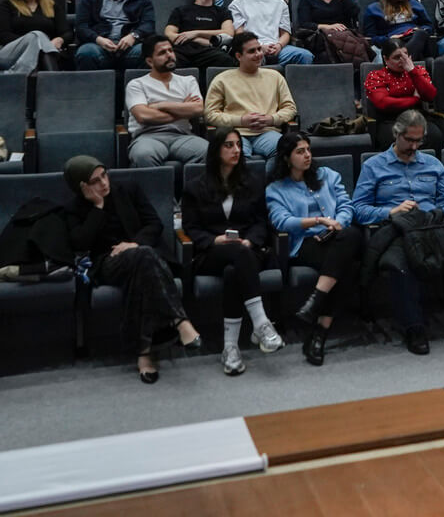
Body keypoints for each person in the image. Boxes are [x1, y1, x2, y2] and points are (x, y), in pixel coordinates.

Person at [352, 111, 444, 356]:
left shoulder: (433, 164)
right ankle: (413, 327)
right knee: (400, 263)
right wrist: (390, 211)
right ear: (396, 134)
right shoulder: (373, 166)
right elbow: (358, 210)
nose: (414, 146)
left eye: (419, 141)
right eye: (409, 140)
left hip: (435, 226)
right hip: (399, 229)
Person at [62, 156, 200, 384]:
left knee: (142, 264)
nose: (103, 183)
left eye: (104, 175)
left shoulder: (128, 189)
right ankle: (179, 320)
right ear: (82, 186)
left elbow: (154, 224)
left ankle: (144, 352)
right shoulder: (73, 208)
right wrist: (98, 207)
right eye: (95, 181)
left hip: (142, 254)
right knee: (145, 256)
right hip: (107, 263)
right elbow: (80, 243)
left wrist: (134, 243)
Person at [181, 128, 283, 374]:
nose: (236, 150)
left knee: (233, 271)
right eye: (229, 145)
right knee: (234, 257)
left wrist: (250, 242)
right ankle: (261, 323)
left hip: (248, 250)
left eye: (238, 145)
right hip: (211, 253)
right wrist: (213, 240)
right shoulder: (195, 187)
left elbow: (261, 222)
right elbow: (190, 227)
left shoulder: (252, 182)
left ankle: (230, 348)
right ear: (216, 150)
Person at [266, 132, 365, 366]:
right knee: (347, 264)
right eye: (300, 152)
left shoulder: (328, 175)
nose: (307, 155)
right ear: (287, 158)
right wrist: (318, 221)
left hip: (337, 236)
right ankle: (319, 332)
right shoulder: (276, 189)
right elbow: (281, 221)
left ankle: (316, 306)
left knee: (350, 236)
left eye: (308, 150)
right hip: (306, 243)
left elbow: (346, 205)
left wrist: (337, 223)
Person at [203, 32, 297, 157]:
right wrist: (241, 121)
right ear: (239, 56)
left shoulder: (275, 77)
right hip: (235, 133)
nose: (258, 54)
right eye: (252, 51)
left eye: (259, 49)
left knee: (284, 151)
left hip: (267, 132)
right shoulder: (221, 80)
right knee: (237, 156)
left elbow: (290, 108)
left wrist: (271, 119)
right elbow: (210, 115)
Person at [124, 36, 208, 170]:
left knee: (208, 151)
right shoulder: (137, 85)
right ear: (150, 61)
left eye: (170, 50)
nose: (169, 55)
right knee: (143, 155)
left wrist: (160, 105)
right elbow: (144, 116)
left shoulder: (188, 81)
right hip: (148, 137)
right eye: (162, 53)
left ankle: (189, 184)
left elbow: (198, 109)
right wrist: (183, 110)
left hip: (182, 136)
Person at [227, 0, 314, 66]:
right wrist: (259, 47)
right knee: (254, 56)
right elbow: (240, 34)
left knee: (305, 55)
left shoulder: (280, 3)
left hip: (277, 48)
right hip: (252, 48)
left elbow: (285, 33)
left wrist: (279, 45)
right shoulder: (237, 4)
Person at [73, 0, 153, 71]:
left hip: (131, 46)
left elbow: (149, 24)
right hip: (100, 46)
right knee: (86, 52)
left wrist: (134, 36)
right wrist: (98, 39)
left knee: (147, 51)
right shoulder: (90, 1)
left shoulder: (142, 1)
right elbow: (81, 27)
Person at [363, 43, 442, 147]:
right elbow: (383, 103)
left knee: (435, 135)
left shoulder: (418, 71)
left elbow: (430, 95)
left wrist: (412, 72)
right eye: (397, 57)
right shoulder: (376, 76)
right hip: (390, 120)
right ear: (386, 59)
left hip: (417, 118)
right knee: (394, 137)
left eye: (405, 55)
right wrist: (414, 99)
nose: (403, 61)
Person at [165, 0, 237, 70]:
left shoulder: (222, 11)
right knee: (167, 59)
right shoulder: (181, 10)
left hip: (210, 50)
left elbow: (228, 33)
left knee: (225, 60)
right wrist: (198, 39)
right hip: (183, 49)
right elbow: (169, 33)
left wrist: (196, 33)